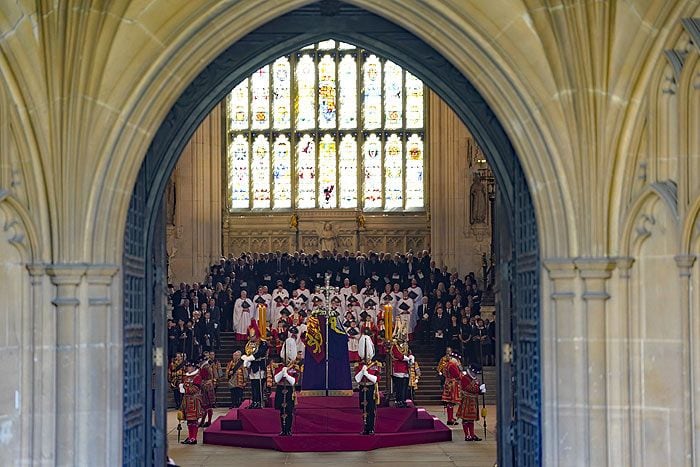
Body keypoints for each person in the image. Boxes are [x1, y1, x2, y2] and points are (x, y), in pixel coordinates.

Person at [355, 332, 382, 435]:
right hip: (362, 388)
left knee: (371, 409)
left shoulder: (375, 364)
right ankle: (365, 427)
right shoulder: (359, 365)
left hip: (371, 389)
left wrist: (367, 374)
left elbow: (377, 379)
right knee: (364, 409)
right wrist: (362, 372)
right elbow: (357, 379)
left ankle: (371, 427)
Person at [273, 336, 299, 436]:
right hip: (280, 389)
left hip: (289, 390)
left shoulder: (294, 367)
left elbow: (294, 381)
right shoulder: (280, 366)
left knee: (289, 411)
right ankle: (283, 429)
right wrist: (282, 372)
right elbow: (276, 379)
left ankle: (288, 429)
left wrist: (286, 375)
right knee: (282, 411)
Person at [241, 320, 269, 408]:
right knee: (253, 386)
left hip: (260, 367)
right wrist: (246, 357)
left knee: (259, 386)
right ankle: (254, 402)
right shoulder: (249, 343)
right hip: (252, 367)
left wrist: (250, 358)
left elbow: (260, 353)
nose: (250, 338)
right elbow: (245, 351)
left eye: (252, 336)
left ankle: (259, 402)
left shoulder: (262, 343)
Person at [457, 363, 486, 441]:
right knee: (466, 419)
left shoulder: (474, 378)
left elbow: (475, 390)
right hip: (466, 400)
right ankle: (467, 435)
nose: (476, 374)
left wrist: (481, 391)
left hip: (473, 400)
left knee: (471, 419)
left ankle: (472, 434)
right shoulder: (465, 378)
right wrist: (479, 389)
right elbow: (469, 388)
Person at [179, 361, 204, 445]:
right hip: (186, 400)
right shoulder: (186, 376)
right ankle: (190, 436)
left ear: (194, 367)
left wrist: (185, 388)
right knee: (189, 421)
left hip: (194, 401)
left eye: (189, 366)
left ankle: (194, 437)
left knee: (193, 420)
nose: (188, 368)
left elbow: (195, 389)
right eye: (187, 366)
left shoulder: (197, 377)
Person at [390, 323, 414, 408]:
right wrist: (407, 358)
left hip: (405, 368)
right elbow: (398, 355)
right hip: (398, 368)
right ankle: (399, 400)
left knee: (405, 386)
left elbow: (408, 352)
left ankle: (404, 400)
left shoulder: (405, 345)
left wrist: (411, 356)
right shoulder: (395, 345)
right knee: (399, 386)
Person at [441, 353, 462, 425]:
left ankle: (450, 418)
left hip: (447, 383)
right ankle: (450, 419)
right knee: (451, 402)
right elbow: (457, 375)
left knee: (449, 402)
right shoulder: (452, 365)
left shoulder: (446, 364)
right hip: (452, 384)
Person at [198, 355, 216, 427]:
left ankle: (205, 421)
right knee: (207, 406)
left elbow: (203, 378)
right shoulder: (207, 366)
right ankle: (206, 421)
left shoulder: (205, 367)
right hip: (208, 386)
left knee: (206, 405)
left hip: (205, 387)